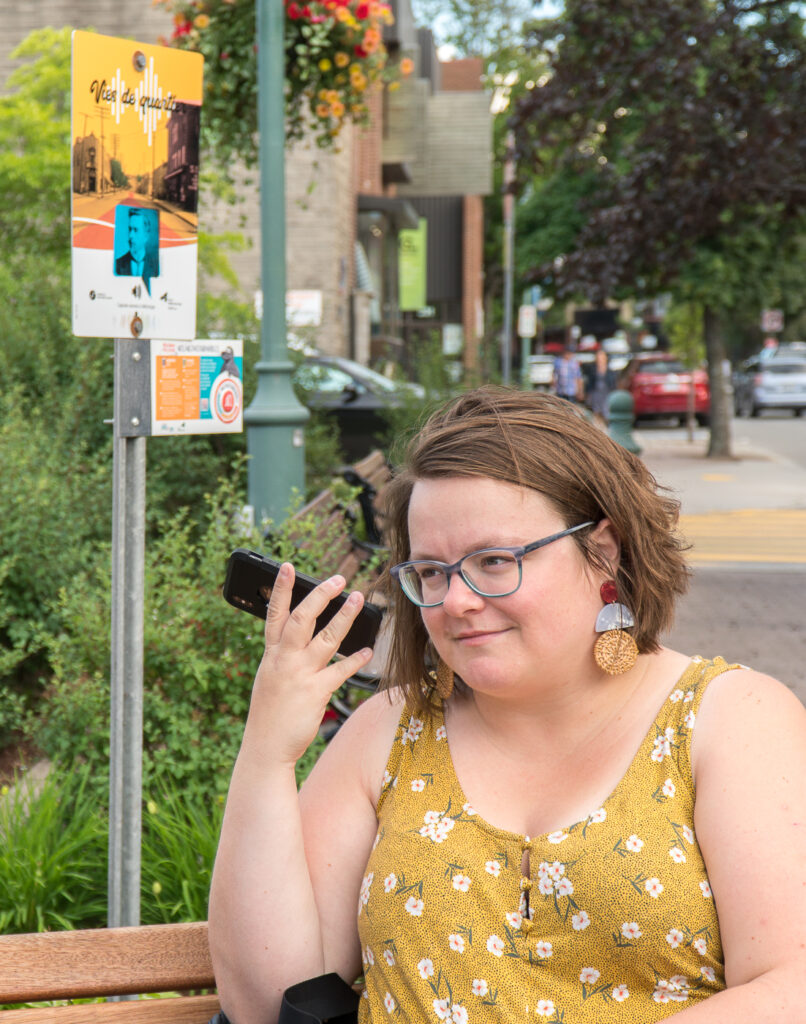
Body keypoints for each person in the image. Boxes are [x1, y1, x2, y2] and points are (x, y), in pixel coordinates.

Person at [208, 387, 806, 1024]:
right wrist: (268, 752)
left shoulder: (732, 720)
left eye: (494, 561)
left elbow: (788, 986)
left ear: (603, 550)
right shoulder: (389, 730)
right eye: (431, 573)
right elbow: (264, 1003)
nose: (455, 600)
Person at [114, 206, 159, 295]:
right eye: (130, 229)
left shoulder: (156, 266)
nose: (131, 235)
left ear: (146, 235)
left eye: (135, 230)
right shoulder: (118, 264)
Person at [586, 346, 618, 426]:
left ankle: (606, 427)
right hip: (596, 392)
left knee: (606, 411)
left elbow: (613, 382)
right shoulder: (593, 368)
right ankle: (597, 427)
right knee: (596, 411)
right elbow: (589, 382)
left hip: (606, 392)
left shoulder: (609, 369)